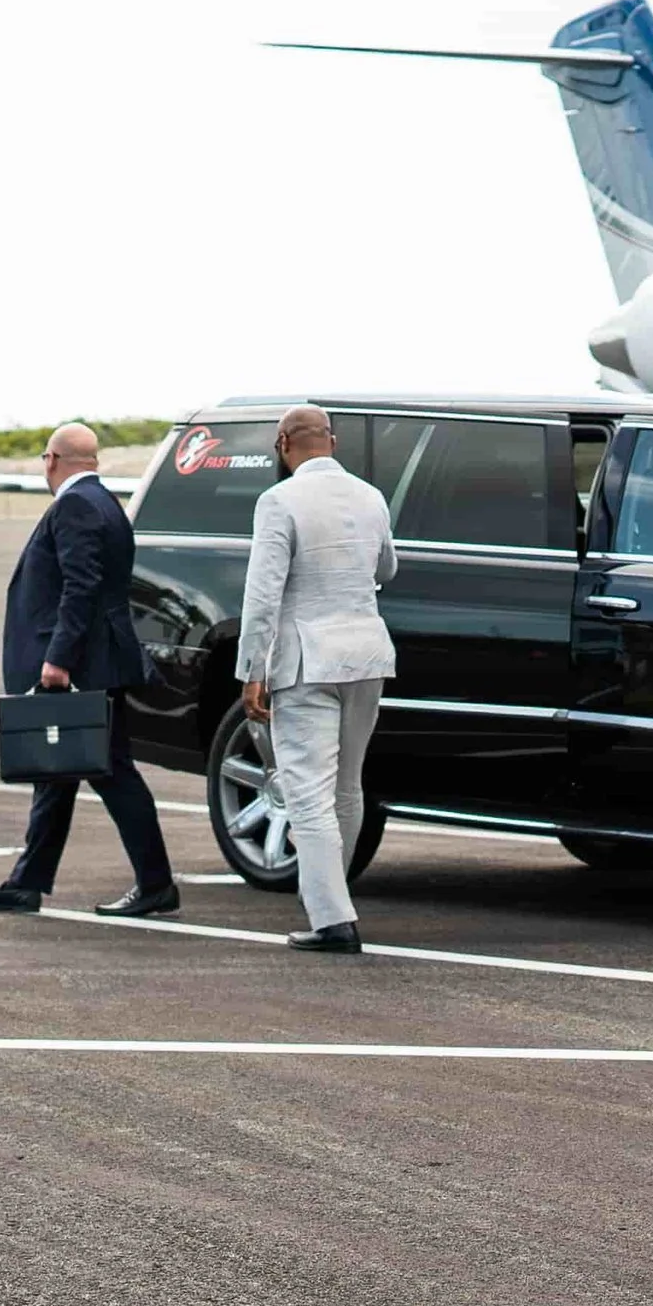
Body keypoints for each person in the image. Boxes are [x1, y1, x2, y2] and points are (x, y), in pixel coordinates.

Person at [0, 423, 177, 918]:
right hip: (99, 660)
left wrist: (58, 659)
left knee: (111, 774)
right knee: (56, 773)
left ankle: (156, 884)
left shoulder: (76, 505)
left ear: (51, 460)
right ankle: (26, 883)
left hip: (84, 666)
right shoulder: (107, 503)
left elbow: (79, 588)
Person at [238, 405, 398, 953]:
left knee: (306, 792)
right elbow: (386, 570)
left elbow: (262, 594)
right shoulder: (370, 496)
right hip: (368, 655)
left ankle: (332, 919)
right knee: (347, 786)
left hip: (307, 660)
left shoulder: (278, 501)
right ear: (332, 441)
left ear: (283, 442)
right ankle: (336, 901)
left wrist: (250, 671)